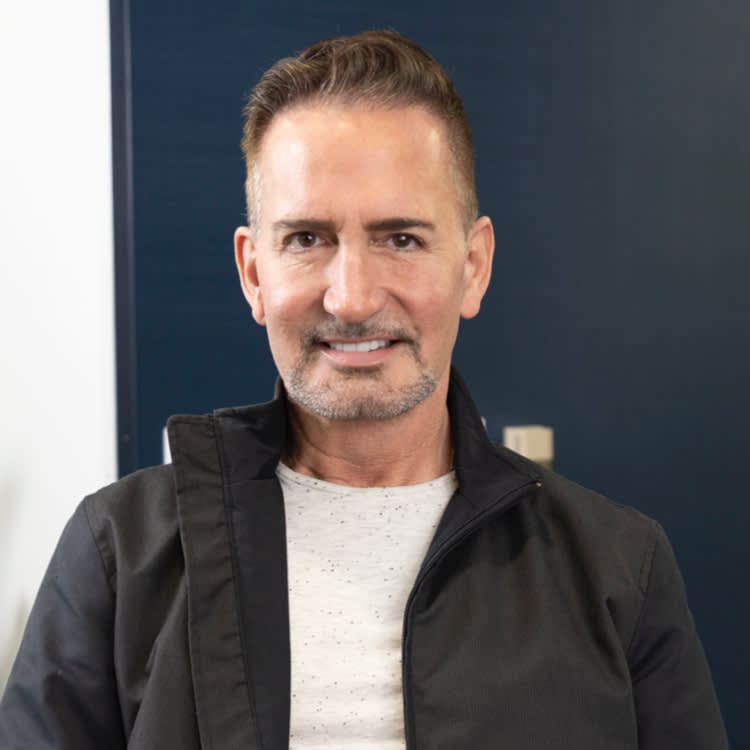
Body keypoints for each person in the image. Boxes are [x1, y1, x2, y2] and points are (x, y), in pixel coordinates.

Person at [0, 31, 727, 750]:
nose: (350, 298)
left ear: (473, 267)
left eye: (400, 239)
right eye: (308, 239)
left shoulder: (619, 570)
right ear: (255, 273)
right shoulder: (118, 555)